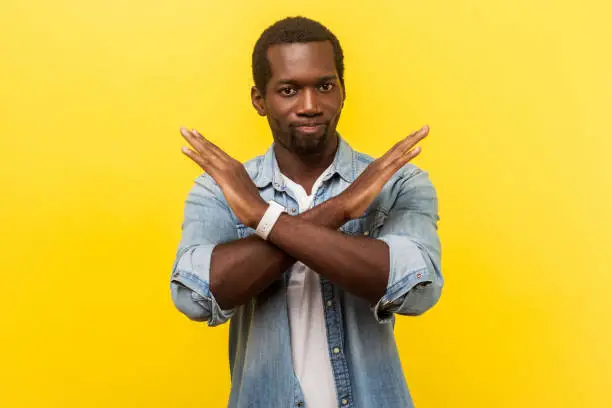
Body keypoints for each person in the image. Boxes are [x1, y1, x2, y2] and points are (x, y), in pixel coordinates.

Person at [170, 16, 443, 408]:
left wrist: (261, 219)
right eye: (288, 90)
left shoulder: (395, 182)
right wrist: (341, 209)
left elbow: (416, 289)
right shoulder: (221, 188)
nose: (310, 105)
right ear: (259, 100)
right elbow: (195, 298)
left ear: (343, 92)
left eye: (324, 86)